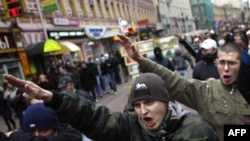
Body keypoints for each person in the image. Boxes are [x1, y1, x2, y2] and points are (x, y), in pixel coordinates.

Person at [3, 73, 218, 141]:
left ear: (165, 101)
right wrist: (54, 98)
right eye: (138, 105)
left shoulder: (196, 129)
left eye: (149, 103)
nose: (143, 111)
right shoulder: (131, 125)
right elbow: (93, 116)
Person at [116, 34, 248, 141]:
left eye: (231, 63)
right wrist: (141, 60)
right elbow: (175, 82)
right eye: (221, 63)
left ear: (241, 64)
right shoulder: (206, 90)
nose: (225, 68)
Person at [6, 102, 84, 141]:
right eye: (31, 132)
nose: (36, 136)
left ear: (54, 128)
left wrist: (13, 136)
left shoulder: (71, 135)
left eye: (43, 130)